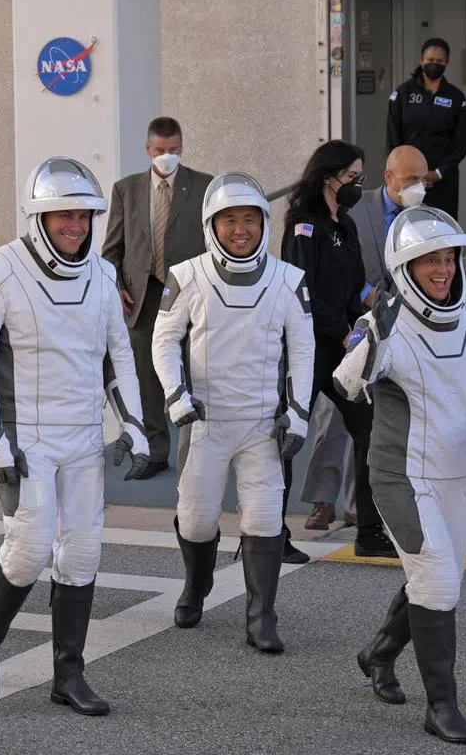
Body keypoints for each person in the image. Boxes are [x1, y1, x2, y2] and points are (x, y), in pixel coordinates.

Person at [0, 157, 150, 717]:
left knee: (83, 552)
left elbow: (118, 357)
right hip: (23, 438)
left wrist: (134, 425)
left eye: (85, 216)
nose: (76, 226)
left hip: (84, 436)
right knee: (32, 544)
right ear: (39, 217)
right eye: (64, 215)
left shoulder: (104, 275)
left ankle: (69, 673)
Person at [336, 206, 466, 745]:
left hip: (453, 473)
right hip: (401, 474)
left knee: (438, 578)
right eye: (430, 261)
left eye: (449, 259)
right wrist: (376, 332)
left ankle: (377, 653)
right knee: (438, 578)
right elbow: (348, 382)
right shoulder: (384, 324)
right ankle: (441, 708)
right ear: (405, 269)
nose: (442, 270)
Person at [151, 173, 314, 652]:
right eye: (229, 220)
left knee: (263, 519)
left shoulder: (289, 279)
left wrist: (299, 413)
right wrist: (176, 395)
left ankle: (261, 616)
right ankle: (195, 584)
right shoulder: (186, 276)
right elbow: (163, 341)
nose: (240, 229)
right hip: (205, 422)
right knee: (197, 519)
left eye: (249, 219)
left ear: (264, 224)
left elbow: (302, 351)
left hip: (264, 425)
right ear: (211, 226)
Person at [301, 146, 430, 530]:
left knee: (374, 417)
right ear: (389, 178)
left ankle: (360, 504)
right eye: (411, 180)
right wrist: (363, 299)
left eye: (423, 179)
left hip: (400, 328)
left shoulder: (424, 219)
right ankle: (322, 500)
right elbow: (338, 271)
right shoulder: (354, 207)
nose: (419, 187)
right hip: (352, 324)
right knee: (333, 418)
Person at [280, 140, 396, 559]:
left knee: (367, 428)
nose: (355, 185)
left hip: (341, 348)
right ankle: (271, 534)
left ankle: (369, 530)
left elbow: (349, 288)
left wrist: (364, 318)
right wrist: (339, 331)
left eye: (359, 177)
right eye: (351, 177)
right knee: (289, 435)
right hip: (306, 347)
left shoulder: (344, 225)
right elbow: (302, 288)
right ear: (328, 177)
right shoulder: (302, 223)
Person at [103, 117, 213, 477]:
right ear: (148, 149)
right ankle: (154, 450)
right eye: (161, 150)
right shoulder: (126, 189)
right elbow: (112, 249)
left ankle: (197, 449)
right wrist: (115, 286)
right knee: (144, 373)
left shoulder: (203, 186)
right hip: (143, 293)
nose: (168, 157)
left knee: (193, 366)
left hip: (189, 290)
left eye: (174, 150)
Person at [387, 37, 466, 218]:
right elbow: (393, 136)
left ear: (447, 63)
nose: (435, 64)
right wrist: (408, 174)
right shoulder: (404, 93)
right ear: (421, 61)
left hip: (443, 182)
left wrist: (439, 172)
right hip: (407, 182)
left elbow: (462, 139)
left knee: (442, 231)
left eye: (440, 61)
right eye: (430, 61)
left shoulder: (455, 97)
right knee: (410, 231)